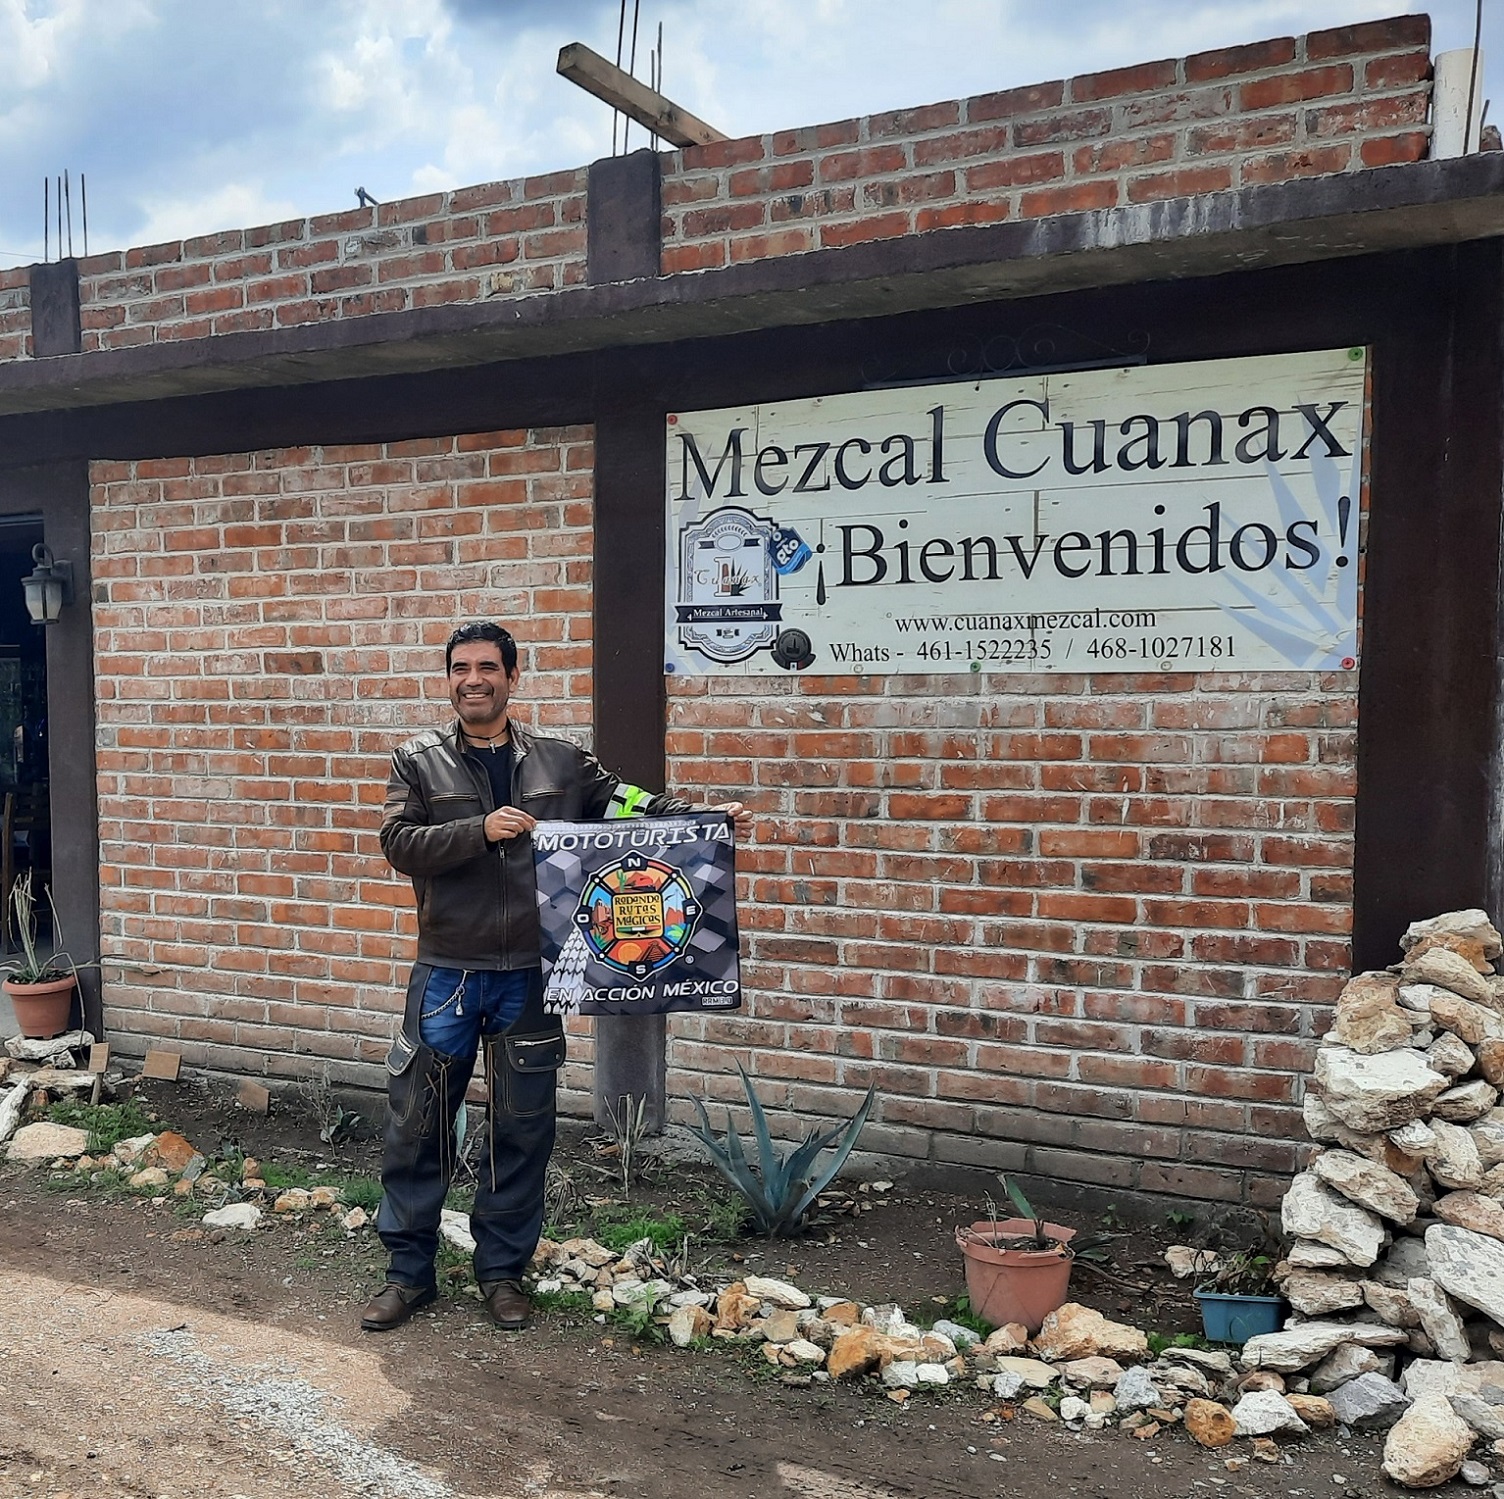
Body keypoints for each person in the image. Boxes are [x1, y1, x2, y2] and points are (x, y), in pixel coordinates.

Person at [361, 621, 744, 1333]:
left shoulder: (563, 763)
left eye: (486, 667)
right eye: (459, 668)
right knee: (418, 1127)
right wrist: (479, 829)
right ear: (448, 678)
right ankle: (406, 1275)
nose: (472, 679)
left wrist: (704, 822)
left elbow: (628, 803)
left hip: (532, 977)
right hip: (448, 970)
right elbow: (398, 843)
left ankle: (502, 1273)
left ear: (512, 675)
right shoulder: (416, 761)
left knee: (522, 1129)